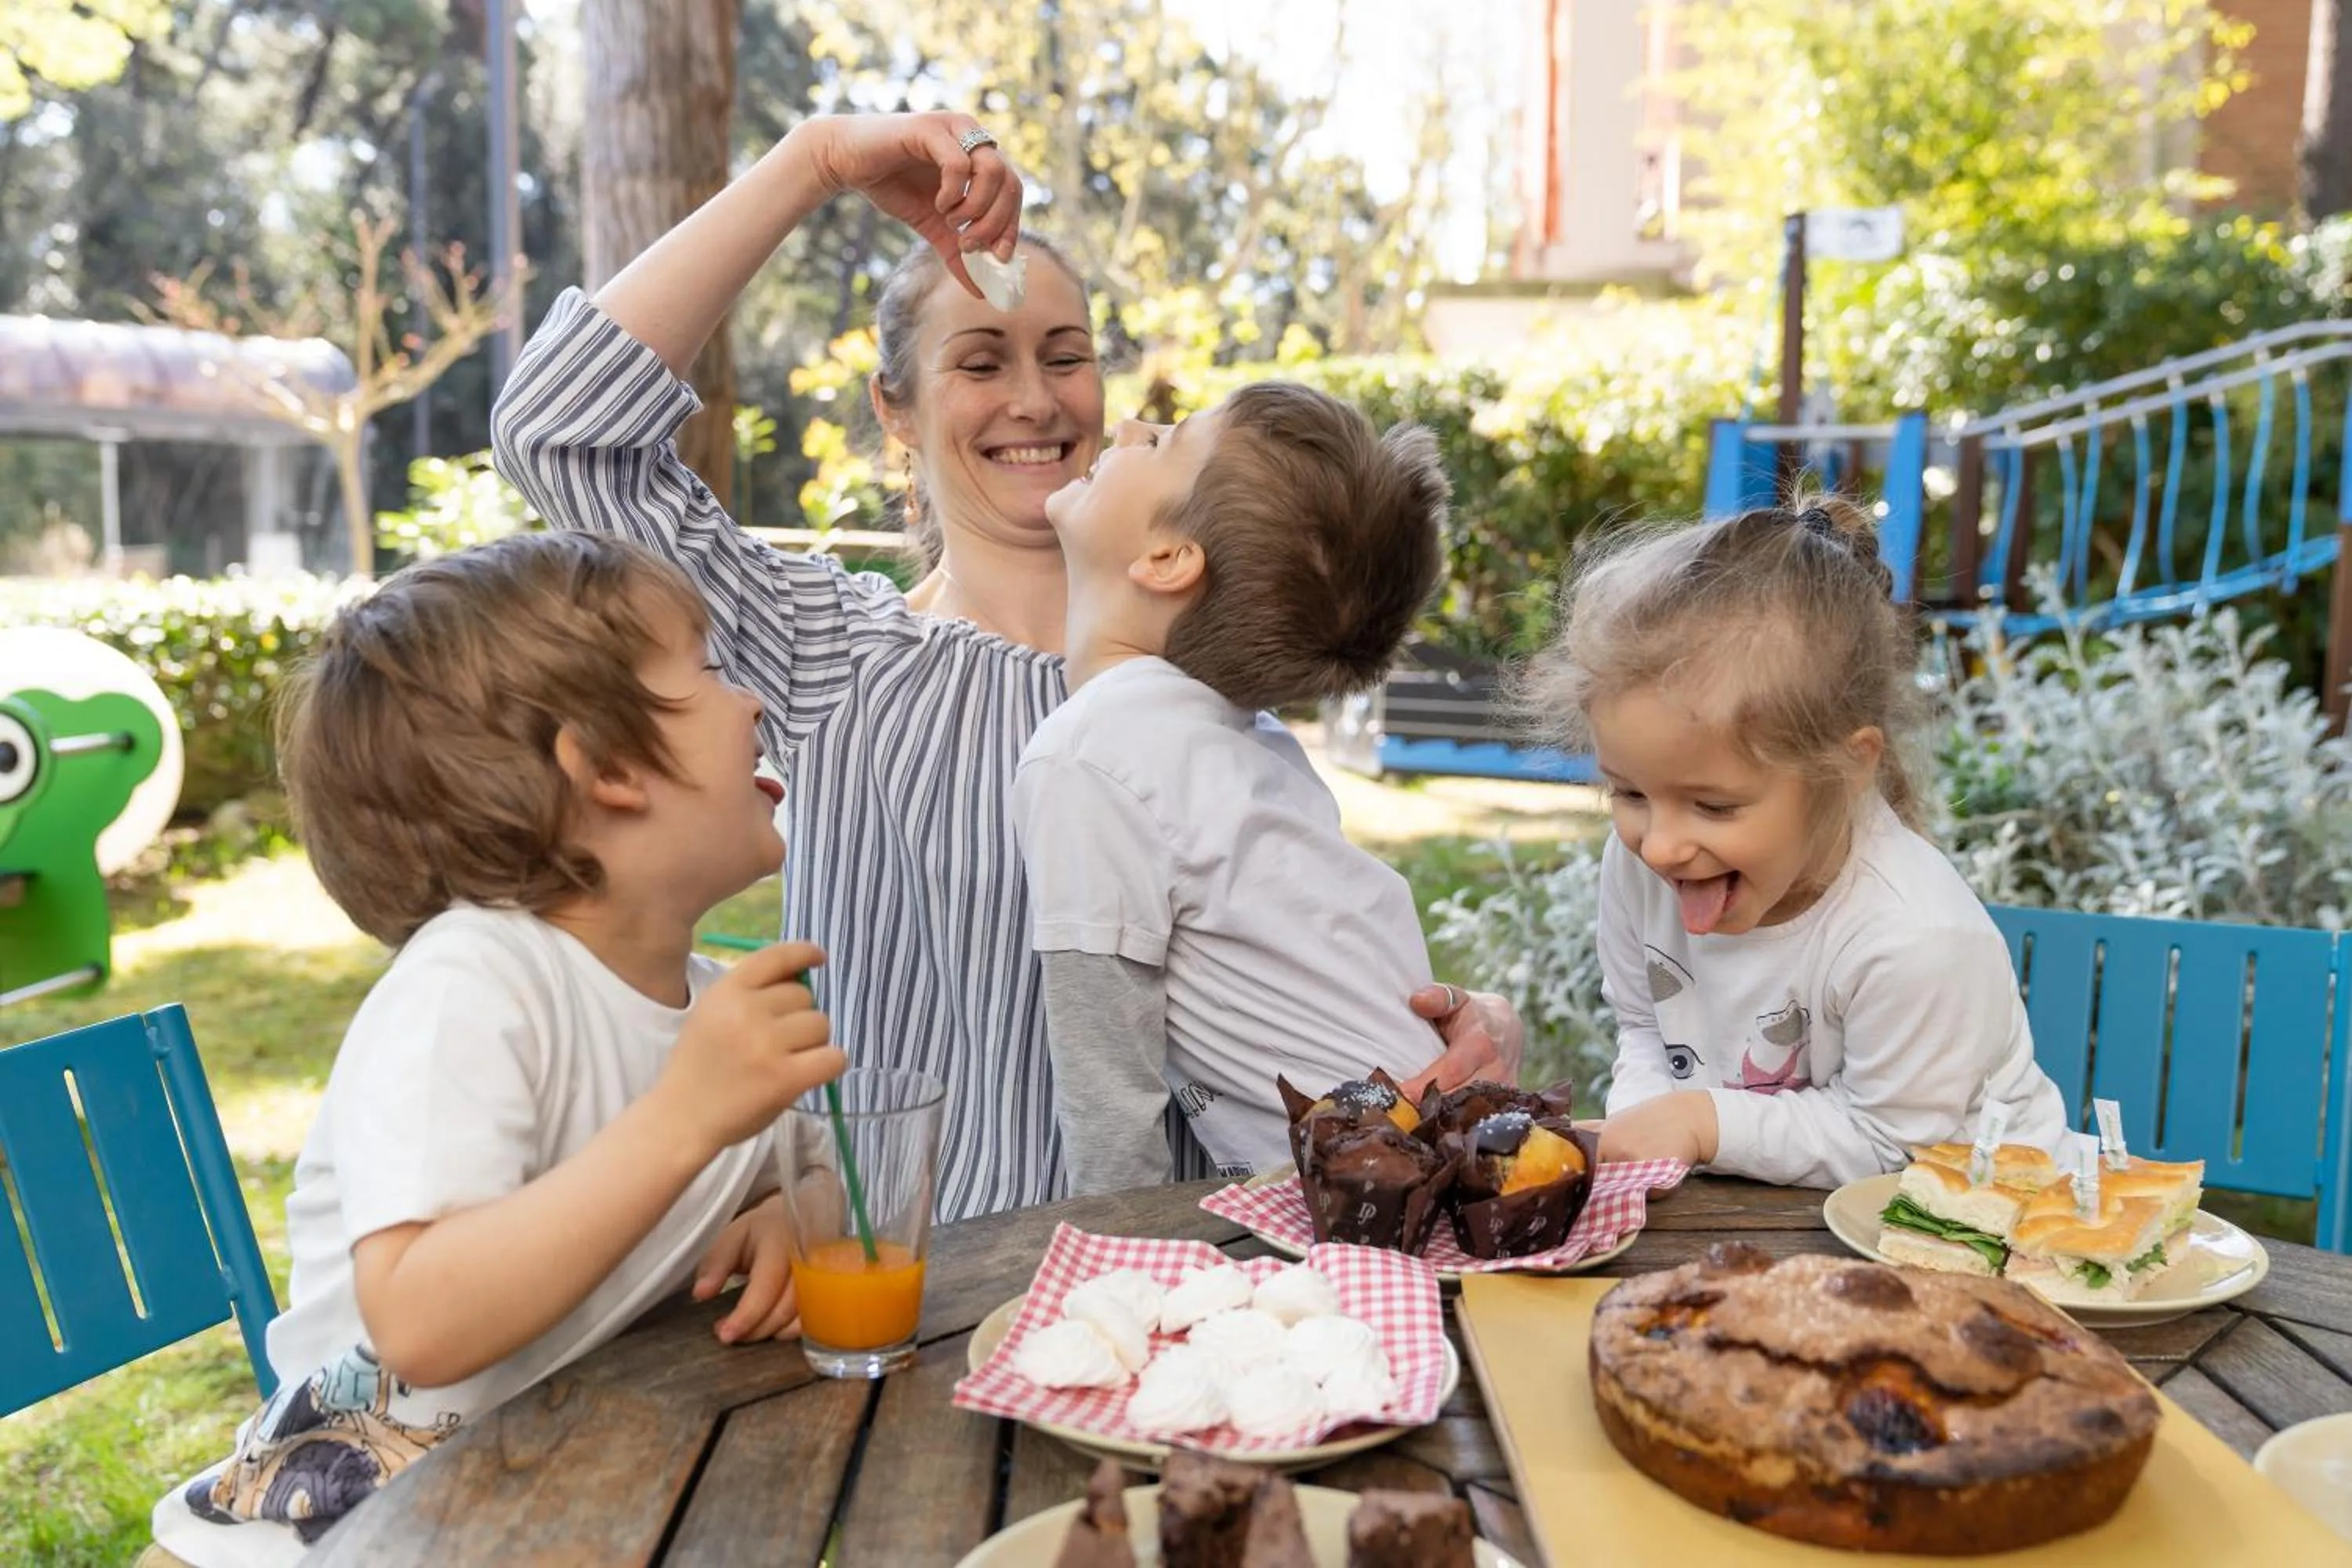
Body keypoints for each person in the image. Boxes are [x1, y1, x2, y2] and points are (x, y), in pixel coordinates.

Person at [491, 109, 1522, 1221]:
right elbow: (560, 433)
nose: (1035, 400)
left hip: (1164, 1282)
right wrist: (816, 162)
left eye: (1066, 357)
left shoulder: (1219, 711)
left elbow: (1310, 984)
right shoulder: (830, 655)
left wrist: (1457, 1037)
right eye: (981, 361)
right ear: (897, 409)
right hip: (906, 1280)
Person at [148, 533, 844, 1566]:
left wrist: (804, 1209)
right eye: (707, 673)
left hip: (558, 1506)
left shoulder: (705, 1007)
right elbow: (422, 1320)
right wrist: (686, 1116)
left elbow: (820, 1167)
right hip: (336, 1539)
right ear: (605, 766)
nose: (750, 705)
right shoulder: (473, 984)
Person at [1521, 495, 2073, 1187]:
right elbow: (1646, 1026)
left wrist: (1704, 1124)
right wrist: (1650, 1137)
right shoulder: (1643, 869)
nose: (1659, 846)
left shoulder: (1914, 938)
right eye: (1629, 793)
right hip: (1777, 1216)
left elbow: (1895, 1147)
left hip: (1993, 1227)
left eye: (1714, 806)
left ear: (1845, 770)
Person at [1015, 386, 1454, 1190]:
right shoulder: (1258, 744)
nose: (1129, 425)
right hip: (1425, 1161)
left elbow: (1110, 1088)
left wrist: (1129, 1272)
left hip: (1368, 1205)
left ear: (1169, 558)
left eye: (1160, 442)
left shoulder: (1089, 756)